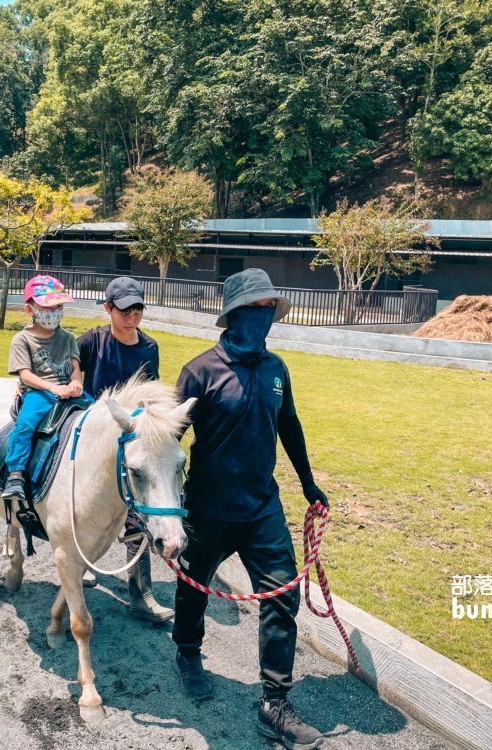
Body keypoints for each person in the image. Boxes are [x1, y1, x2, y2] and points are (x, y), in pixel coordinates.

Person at [172, 268, 330, 750]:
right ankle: (187, 654)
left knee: (282, 598)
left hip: (262, 509)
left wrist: (308, 483)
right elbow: (167, 439)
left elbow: (290, 425)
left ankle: (274, 703)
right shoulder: (200, 371)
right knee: (194, 588)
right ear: (234, 315)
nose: (264, 317)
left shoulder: (277, 369)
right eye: (256, 309)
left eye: (269, 310)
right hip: (208, 508)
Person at [76, 277, 171, 621]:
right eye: (124, 310)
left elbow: (152, 395)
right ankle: (84, 563)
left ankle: (141, 593)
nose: (131, 316)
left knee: (136, 513)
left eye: (137, 309)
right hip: (96, 440)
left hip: (131, 441)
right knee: (89, 508)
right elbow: (67, 372)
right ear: (107, 308)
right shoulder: (90, 342)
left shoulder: (149, 348)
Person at [2, 275, 84, 503]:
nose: (54, 311)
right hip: (39, 392)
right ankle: (16, 474)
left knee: (96, 415)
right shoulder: (22, 339)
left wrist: (77, 382)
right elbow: (25, 374)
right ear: (30, 310)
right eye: (47, 306)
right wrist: (53, 388)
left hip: (68, 390)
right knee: (26, 424)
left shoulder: (68, 337)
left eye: (58, 306)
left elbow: (75, 368)